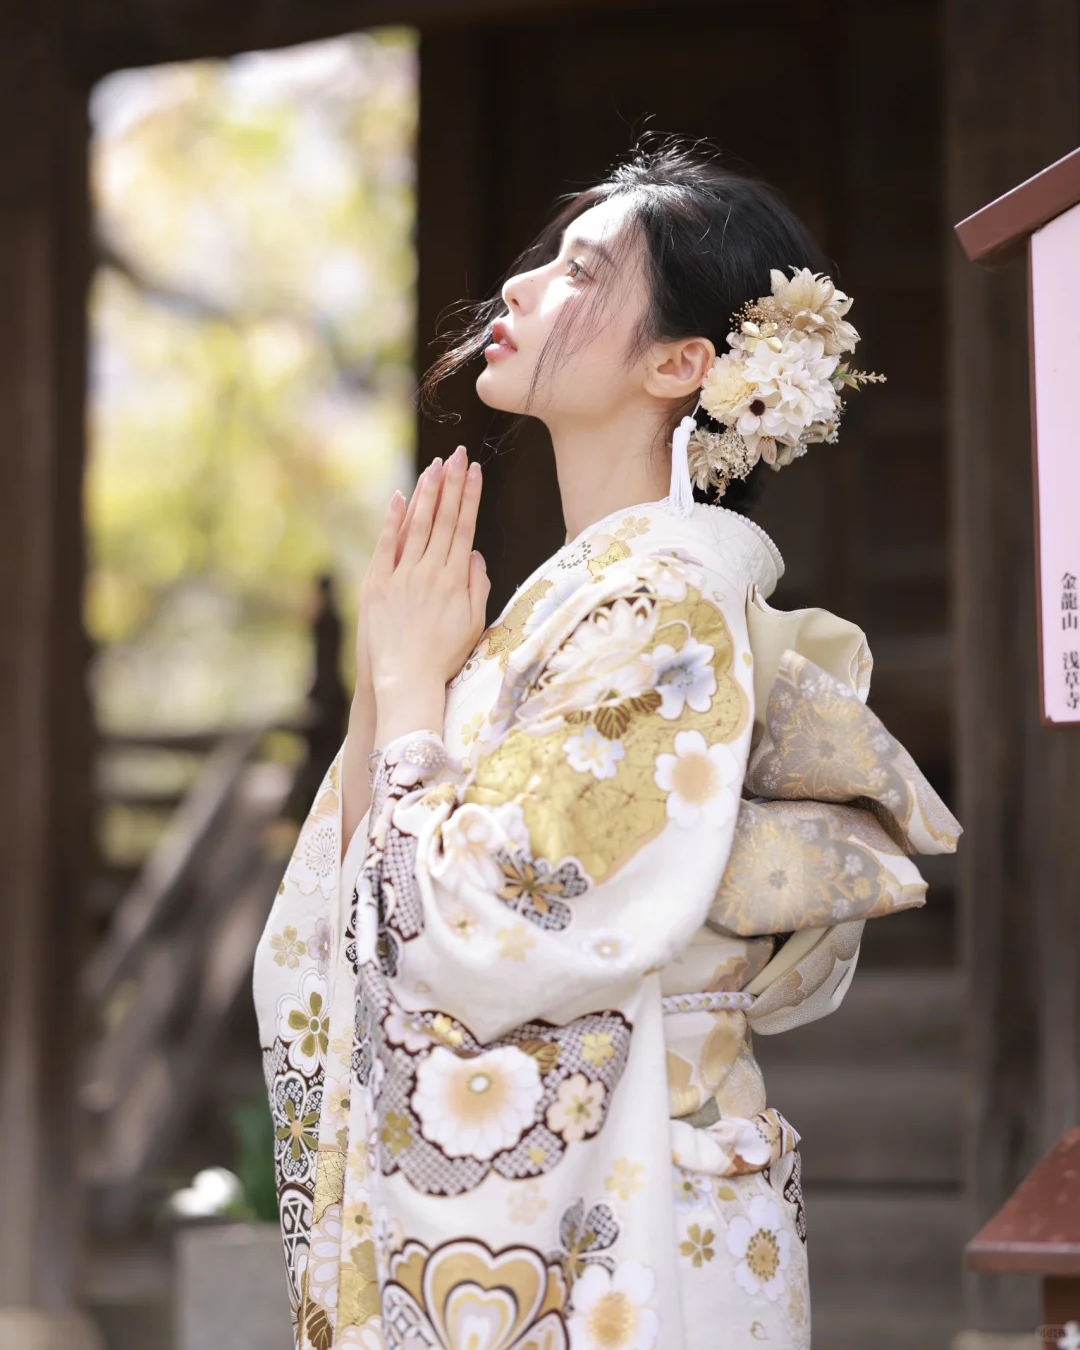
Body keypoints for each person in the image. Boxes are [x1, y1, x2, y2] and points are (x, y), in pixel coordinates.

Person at [254, 142, 960, 1350]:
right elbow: (360, 905)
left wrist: (417, 684)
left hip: (632, 1219)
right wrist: (393, 680)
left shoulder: (664, 602)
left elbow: (480, 920)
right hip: (590, 1204)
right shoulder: (589, 598)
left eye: (580, 270)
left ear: (682, 364)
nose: (521, 286)